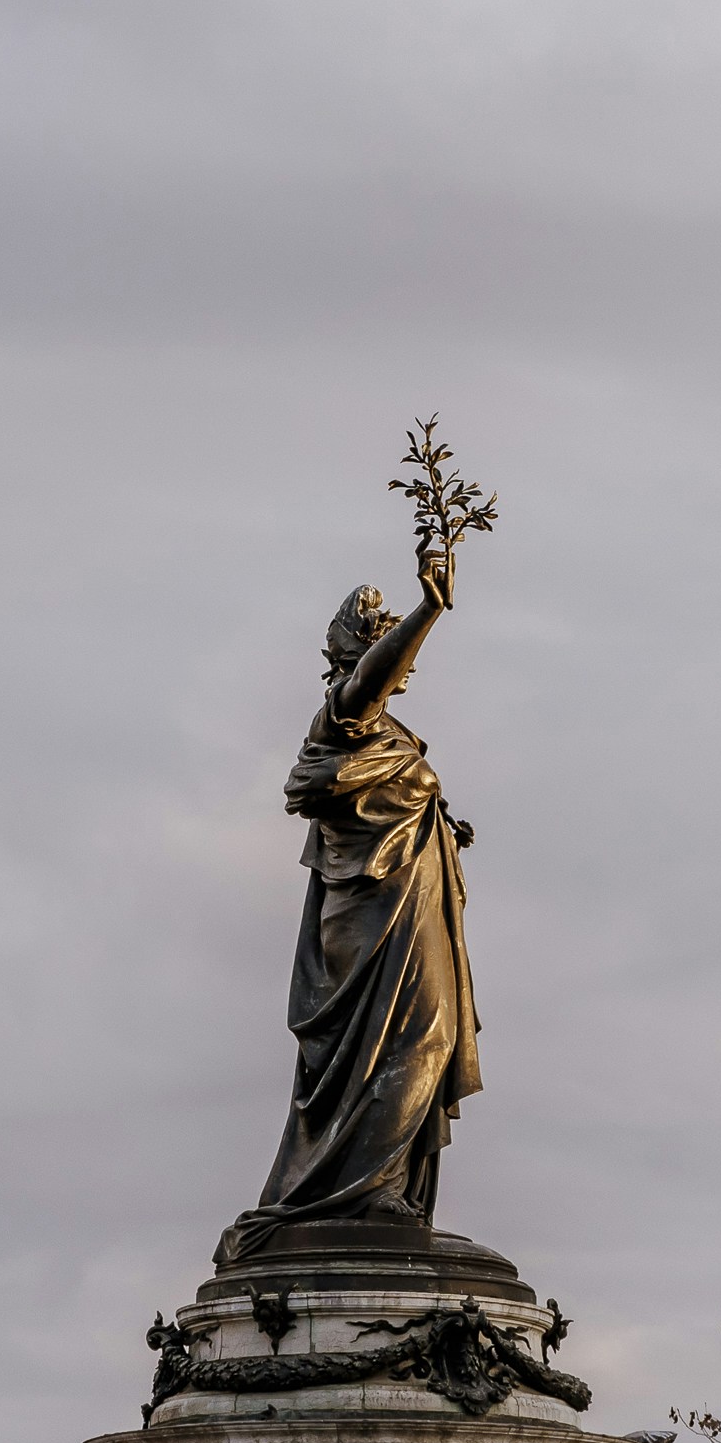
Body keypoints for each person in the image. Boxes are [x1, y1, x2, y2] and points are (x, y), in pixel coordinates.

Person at [220, 540, 483, 1260]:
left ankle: (380, 1189)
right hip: (368, 922)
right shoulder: (342, 717)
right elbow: (368, 681)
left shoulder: (391, 736)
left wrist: (441, 831)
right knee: (415, 1040)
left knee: (418, 1041)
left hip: (408, 905)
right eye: (379, 637)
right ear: (355, 653)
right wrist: (430, 607)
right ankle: (367, 1194)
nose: (397, 658)